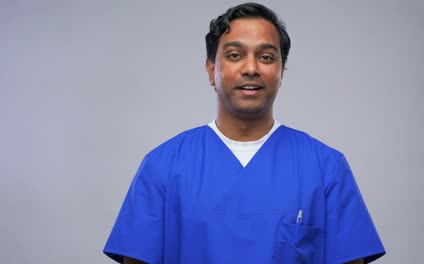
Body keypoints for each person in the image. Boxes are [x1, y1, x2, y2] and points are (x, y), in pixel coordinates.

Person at [103, 3, 386, 264]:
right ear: (211, 69)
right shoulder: (163, 166)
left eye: (265, 57)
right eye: (235, 55)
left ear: (281, 71)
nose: (251, 68)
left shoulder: (325, 168)